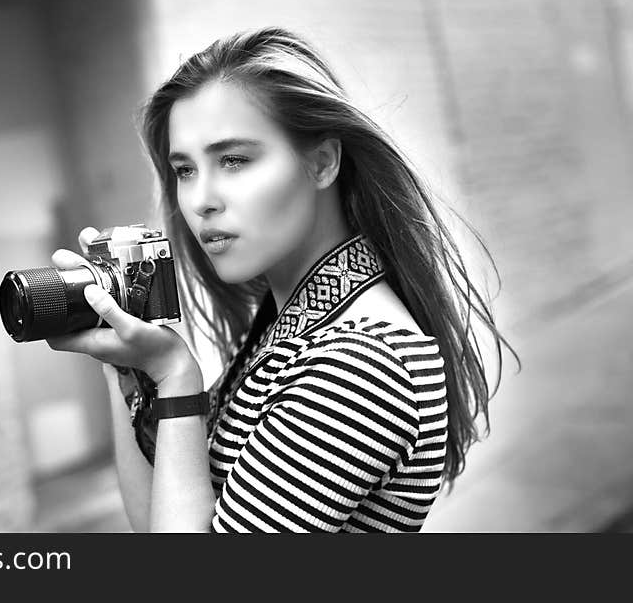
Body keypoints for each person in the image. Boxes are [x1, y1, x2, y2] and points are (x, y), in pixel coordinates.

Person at [46, 27, 518, 533]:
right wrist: (120, 367)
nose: (201, 199)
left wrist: (176, 376)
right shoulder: (288, 330)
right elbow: (154, 522)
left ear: (321, 163)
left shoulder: (360, 365)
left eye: (234, 160)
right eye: (184, 170)